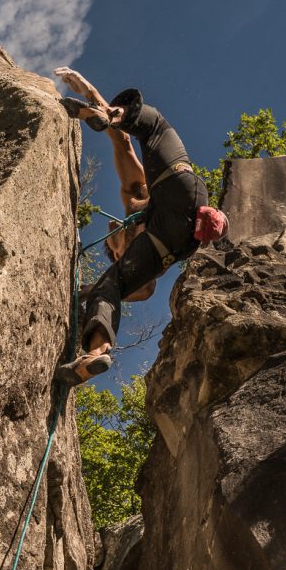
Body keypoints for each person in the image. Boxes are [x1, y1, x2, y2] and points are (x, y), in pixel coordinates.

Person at [52, 69, 228, 385]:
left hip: (175, 193)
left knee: (152, 126)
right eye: (116, 234)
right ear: (116, 250)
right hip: (183, 213)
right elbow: (127, 292)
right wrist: (85, 292)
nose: (114, 225)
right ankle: (92, 358)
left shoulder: (135, 201)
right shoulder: (133, 267)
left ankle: (109, 112)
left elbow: (123, 144)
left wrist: (91, 92)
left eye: (115, 229)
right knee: (109, 288)